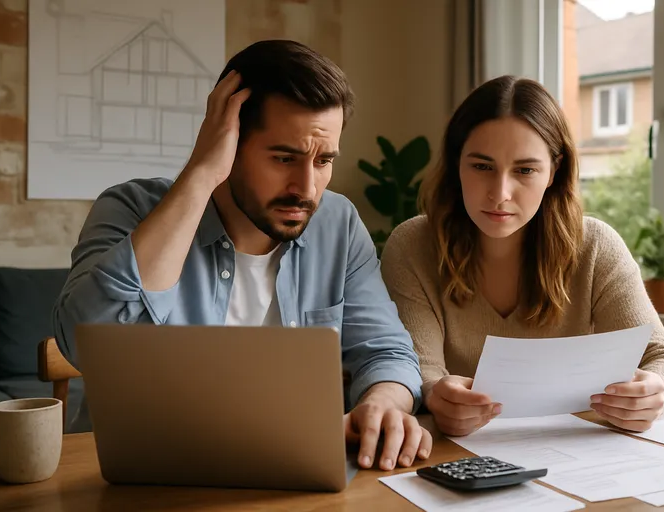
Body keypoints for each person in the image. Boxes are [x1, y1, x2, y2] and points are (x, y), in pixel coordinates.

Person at [53, 39, 431, 471]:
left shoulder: (337, 224)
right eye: (284, 158)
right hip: (142, 477)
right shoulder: (131, 209)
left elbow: (386, 352)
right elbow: (84, 343)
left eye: (324, 160)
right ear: (228, 140)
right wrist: (201, 174)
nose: (307, 189)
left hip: (291, 472)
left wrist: (382, 404)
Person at [380, 75, 664, 437]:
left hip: (579, 452)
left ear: (554, 171)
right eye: (482, 166)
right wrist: (436, 395)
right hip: (458, 455)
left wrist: (655, 395)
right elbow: (420, 372)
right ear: (456, 163)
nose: (500, 193)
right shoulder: (413, 246)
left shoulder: (596, 247)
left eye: (525, 170)